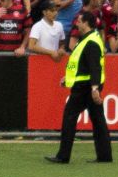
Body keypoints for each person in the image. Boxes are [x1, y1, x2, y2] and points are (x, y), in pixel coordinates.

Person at [45, 11, 112, 164]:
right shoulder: (89, 39)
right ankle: (105, 155)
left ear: (86, 23)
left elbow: (95, 67)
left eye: (79, 21)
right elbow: (81, 64)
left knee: (69, 117)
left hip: (85, 87)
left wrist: (94, 88)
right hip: (86, 84)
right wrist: (68, 78)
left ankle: (63, 156)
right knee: (98, 120)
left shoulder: (90, 42)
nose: (77, 23)